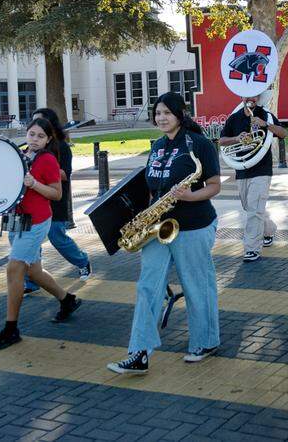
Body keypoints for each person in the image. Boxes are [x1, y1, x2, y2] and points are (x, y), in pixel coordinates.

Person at [108, 93, 222, 375]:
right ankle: (139, 353)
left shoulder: (200, 145)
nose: (161, 118)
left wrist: (190, 196)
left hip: (194, 224)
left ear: (180, 114)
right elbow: (151, 186)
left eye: (166, 113)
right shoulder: (157, 145)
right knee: (147, 288)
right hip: (158, 228)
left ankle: (206, 342)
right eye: (157, 113)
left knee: (197, 285)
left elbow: (215, 185)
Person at [0, 117, 82, 351]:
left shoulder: (48, 160)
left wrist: (34, 184)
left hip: (37, 222)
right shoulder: (19, 156)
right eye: (32, 134)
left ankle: (11, 329)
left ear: (49, 139)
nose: (35, 139)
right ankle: (67, 300)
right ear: (26, 134)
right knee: (33, 270)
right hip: (17, 220)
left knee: (14, 268)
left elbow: (57, 194)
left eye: (41, 136)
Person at [23, 107, 92, 295]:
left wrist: (45, 169)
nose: (36, 133)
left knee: (57, 237)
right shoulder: (27, 149)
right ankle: (31, 281)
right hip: (34, 204)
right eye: (32, 128)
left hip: (54, 202)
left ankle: (82, 261)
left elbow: (64, 174)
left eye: (41, 124)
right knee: (32, 242)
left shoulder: (61, 147)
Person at [219, 95, 288, 263]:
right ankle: (269, 230)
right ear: (242, 96)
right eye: (248, 94)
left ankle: (251, 249)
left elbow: (283, 133)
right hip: (242, 169)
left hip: (262, 169)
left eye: (255, 95)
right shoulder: (234, 118)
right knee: (251, 208)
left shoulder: (266, 114)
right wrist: (237, 139)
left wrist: (266, 125)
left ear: (259, 97)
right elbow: (221, 141)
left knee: (254, 210)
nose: (251, 98)